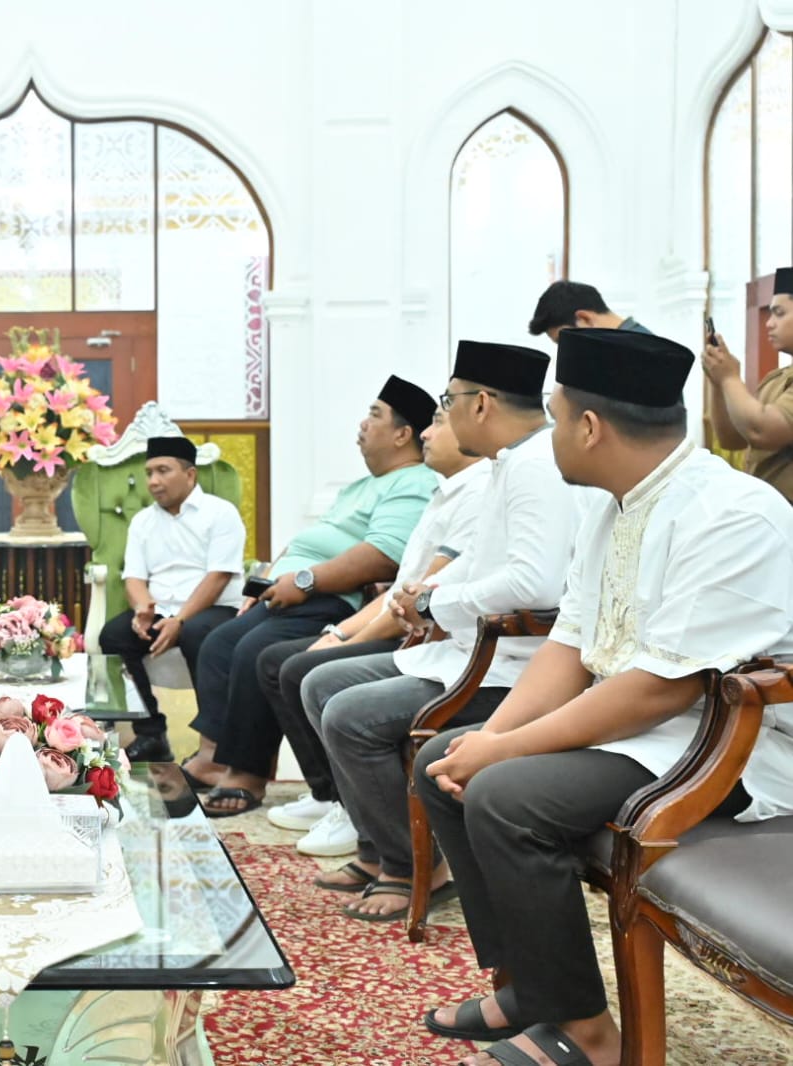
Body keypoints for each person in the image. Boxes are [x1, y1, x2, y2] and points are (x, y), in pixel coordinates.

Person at [416, 327, 793, 1066]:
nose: (548, 432)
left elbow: (660, 690)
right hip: (645, 731)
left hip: (727, 746)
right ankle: (528, 986)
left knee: (505, 796)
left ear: (589, 427)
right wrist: (490, 738)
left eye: (554, 417)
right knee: (447, 762)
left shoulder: (733, 513)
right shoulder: (611, 504)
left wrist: (504, 751)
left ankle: (586, 1034)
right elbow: (569, 646)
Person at [298, 342, 583, 918]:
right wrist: (424, 594)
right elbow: (479, 558)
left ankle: (414, 867)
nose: (442, 417)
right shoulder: (509, 462)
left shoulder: (534, 466)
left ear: (481, 404)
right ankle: (378, 850)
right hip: (465, 650)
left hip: (512, 668)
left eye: (446, 403)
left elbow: (534, 584)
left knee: (350, 715)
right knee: (319, 683)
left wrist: (436, 603)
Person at [188, 376, 440, 816]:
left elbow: (383, 556)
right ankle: (214, 757)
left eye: (374, 415)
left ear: (403, 434)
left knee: (254, 650)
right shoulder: (360, 487)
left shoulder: (413, 481)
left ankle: (248, 773)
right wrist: (268, 579)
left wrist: (305, 580)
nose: (362, 424)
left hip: (334, 599)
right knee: (218, 641)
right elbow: (310, 542)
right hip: (294, 591)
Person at [259, 402, 490, 857]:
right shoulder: (446, 493)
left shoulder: (477, 493)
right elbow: (402, 592)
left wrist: (345, 639)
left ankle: (362, 821)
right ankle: (337, 800)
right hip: (419, 634)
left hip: (442, 645)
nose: (426, 434)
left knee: (305, 672)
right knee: (286, 662)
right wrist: (340, 634)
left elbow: (421, 596)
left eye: (437, 422)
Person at [94, 435, 245, 741]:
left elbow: (218, 577)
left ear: (190, 474)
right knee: (114, 635)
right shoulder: (143, 521)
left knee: (196, 632)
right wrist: (142, 609)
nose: (153, 481)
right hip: (161, 610)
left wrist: (181, 620)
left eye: (163, 471)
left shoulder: (221, 513)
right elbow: (134, 578)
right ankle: (151, 734)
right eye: (149, 473)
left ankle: (215, 741)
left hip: (215, 609)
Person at [702, 265, 793, 507]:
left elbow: (762, 431)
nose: (769, 324)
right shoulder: (777, 379)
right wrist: (717, 382)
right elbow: (733, 439)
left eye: (779, 314)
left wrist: (729, 378)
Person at [527, 279, 652, 343]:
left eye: (563, 342)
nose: (565, 352)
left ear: (585, 319)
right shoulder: (639, 343)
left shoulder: (635, 352)